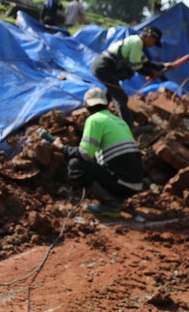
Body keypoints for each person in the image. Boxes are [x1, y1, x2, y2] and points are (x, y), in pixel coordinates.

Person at [55, 87, 145, 217]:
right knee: (98, 163)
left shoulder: (94, 120)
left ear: (87, 106)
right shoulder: (120, 121)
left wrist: (62, 148)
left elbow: (85, 153)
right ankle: (118, 200)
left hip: (122, 184)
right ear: (106, 103)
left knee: (75, 165)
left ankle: (110, 204)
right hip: (134, 185)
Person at [91, 26, 167, 128]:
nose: (152, 45)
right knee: (121, 97)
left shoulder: (136, 42)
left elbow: (146, 63)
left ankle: (99, 112)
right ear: (150, 36)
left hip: (104, 66)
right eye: (154, 42)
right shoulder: (137, 42)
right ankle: (128, 127)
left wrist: (163, 66)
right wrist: (152, 74)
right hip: (104, 67)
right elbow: (136, 66)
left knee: (113, 90)